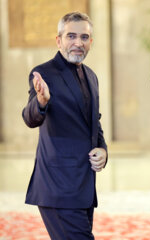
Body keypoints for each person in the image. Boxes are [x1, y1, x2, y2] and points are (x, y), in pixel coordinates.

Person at [22, 12, 107, 239]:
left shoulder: (91, 76)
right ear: (59, 40)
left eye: (84, 37)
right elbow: (30, 118)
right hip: (58, 186)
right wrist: (41, 102)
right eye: (71, 36)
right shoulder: (43, 73)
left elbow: (93, 122)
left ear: (91, 42)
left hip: (84, 187)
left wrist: (103, 149)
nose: (78, 43)